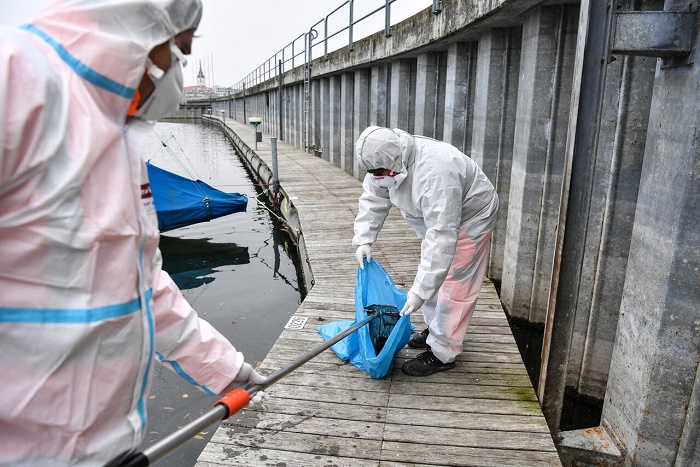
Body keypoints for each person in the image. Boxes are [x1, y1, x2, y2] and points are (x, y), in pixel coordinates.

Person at [0, 1, 266, 465]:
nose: (178, 73)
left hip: (105, 447)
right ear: (136, 32)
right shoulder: (16, 81)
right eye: (178, 52)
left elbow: (138, 282)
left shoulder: (118, 137)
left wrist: (225, 368)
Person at [353, 126, 499, 377]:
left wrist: (419, 292)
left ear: (395, 164)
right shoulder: (381, 161)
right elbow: (374, 198)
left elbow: (442, 237)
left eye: (381, 173)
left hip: (470, 216)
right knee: (433, 269)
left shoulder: (436, 174)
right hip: (434, 218)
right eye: (373, 173)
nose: (379, 177)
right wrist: (364, 238)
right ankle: (434, 329)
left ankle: (444, 351)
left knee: (456, 282)